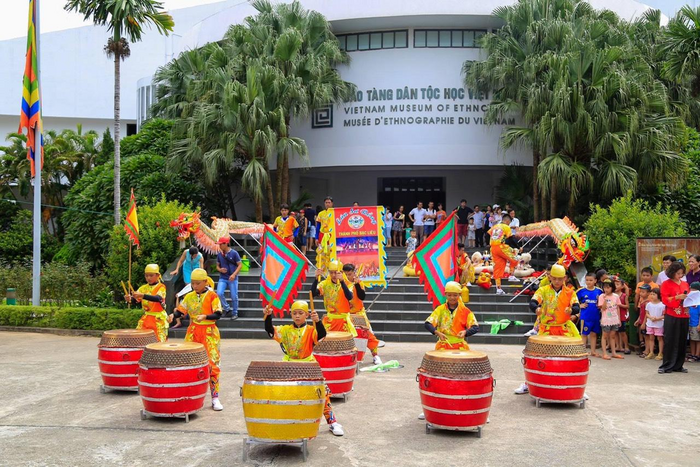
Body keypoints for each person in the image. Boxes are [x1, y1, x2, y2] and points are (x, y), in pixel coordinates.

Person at [263, 301, 345, 436]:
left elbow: (321, 335)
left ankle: (332, 422)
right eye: (294, 313)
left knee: (322, 393)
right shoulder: (286, 330)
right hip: (289, 366)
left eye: (300, 313)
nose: (297, 316)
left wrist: (317, 321)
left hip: (308, 365)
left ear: (306, 315)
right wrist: (268, 316)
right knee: (283, 394)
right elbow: (270, 330)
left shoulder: (311, 330)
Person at [171, 268, 223, 411]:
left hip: (209, 333)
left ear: (205, 281)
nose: (194, 286)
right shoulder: (189, 296)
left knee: (212, 365)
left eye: (197, 283)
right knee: (189, 364)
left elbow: (218, 314)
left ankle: (215, 398)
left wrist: (205, 317)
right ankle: (189, 396)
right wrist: (173, 314)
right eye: (193, 283)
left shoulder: (213, 296)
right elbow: (181, 310)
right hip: (193, 333)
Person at [343, 264, 382, 365]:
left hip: (359, 314)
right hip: (345, 314)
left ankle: (375, 355)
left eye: (350, 274)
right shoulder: (341, 283)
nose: (348, 276)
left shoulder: (359, 283)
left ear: (354, 273)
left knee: (369, 334)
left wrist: (356, 284)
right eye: (345, 274)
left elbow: (362, 296)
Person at [424, 281, 479, 350]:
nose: (452, 298)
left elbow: (475, 327)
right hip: (443, 346)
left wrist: (465, 332)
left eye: (455, 295)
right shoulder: (440, 310)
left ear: (460, 295)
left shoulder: (465, 311)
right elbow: (427, 323)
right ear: (445, 294)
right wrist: (437, 333)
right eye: (449, 295)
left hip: (460, 347)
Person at [531, 264, 580, 337]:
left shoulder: (570, 292)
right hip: (546, 328)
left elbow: (577, 307)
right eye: (554, 278)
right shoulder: (543, 290)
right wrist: (536, 308)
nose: (557, 281)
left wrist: (571, 310)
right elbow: (533, 302)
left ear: (564, 278)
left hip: (564, 329)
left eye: (560, 279)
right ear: (550, 277)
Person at [658, 261, 690, 374]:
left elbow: (689, 297)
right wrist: (677, 297)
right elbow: (665, 300)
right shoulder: (666, 284)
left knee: (682, 340)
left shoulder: (685, 284)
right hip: (672, 314)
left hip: (684, 314)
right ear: (672, 273)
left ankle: (678, 365)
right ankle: (666, 365)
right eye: (678, 273)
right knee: (670, 339)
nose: (680, 276)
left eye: (681, 273)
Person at [126, 264, 168, 342]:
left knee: (158, 341)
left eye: (151, 275)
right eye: (146, 276)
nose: (148, 278)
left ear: (157, 275)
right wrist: (129, 299)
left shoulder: (161, 287)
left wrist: (143, 295)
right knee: (140, 340)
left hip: (158, 318)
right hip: (147, 318)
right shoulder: (143, 288)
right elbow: (135, 301)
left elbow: (158, 298)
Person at [311, 261, 356, 335]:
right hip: (330, 321)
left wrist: (342, 282)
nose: (333, 275)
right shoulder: (325, 284)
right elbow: (313, 293)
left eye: (335, 272)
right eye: (331, 273)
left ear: (341, 272)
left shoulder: (348, 284)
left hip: (343, 321)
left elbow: (349, 297)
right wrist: (316, 279)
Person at [172, 246, 204, 329]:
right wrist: (176, 269)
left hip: (196, 268)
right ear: (191, 254)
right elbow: (181, 261)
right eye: (194, 255)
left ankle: (195, 297)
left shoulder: (200, 257)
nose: (196, 256)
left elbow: (202, 268)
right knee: (188, 285)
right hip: (187, 267)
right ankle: (188, 299)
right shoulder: (186, 252)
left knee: (196, 282)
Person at [488, 213, 520, 295]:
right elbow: (510, 239)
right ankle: (511, 275)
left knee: (498, 268)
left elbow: (487, 235)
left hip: (493, 248)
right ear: (507, 220)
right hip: (501, 247)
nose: (509, 224)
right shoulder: (506, 227)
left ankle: (498, 289)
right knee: (515, 257)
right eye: (509, 222)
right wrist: (518, 247)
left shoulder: (494, 226)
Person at [577, 272, 603, 357]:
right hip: (585, 317)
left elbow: (603, 302)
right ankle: (582, 351)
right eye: (587, 280)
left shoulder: (599, 291)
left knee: (594, 334)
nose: (588, 282)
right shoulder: (581, 291)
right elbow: (572, 300)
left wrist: (600, 306)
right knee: (584, 334)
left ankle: (593, 351)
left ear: (595, 281)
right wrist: (580, 305)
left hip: (595, 317)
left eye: (591, 280)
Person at [216, 236, 242, 319]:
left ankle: (235, 312)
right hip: (223, 277)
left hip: (232, 278)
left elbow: (240, 265)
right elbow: (217, 266)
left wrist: (234, 274)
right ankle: (226, 308)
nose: (219, 246)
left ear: (226, 244)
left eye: (221, 244)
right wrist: (220, 269)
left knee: (234, 296)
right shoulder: (219, 254)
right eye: (219, 244)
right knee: (219, 293)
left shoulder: (234, 253)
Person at [598, 279, 623, 360]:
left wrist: (619, 319)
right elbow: (603, 308)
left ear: (612, 288)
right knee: (604, 336)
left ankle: (613, 353)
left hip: (614, 319)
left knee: (612, 336)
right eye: (605, 287)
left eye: (608, 287)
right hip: (606, 319)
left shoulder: (616, 296)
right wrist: (605, 299)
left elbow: (618, 308)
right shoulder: (602, 296)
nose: (606, 289)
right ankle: (604, 353)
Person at [644, 287, 665, 361]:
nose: (652, 296)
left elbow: (664, 315)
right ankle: (651, 352)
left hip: (659, 324)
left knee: (659, 338)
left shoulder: (662, 305)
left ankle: (660, 353)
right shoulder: (649, 304)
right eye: (651, 294)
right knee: (651, 338)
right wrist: (651, 317)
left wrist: (657, 318)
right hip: (650, 323)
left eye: (654, 294)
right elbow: (646, 313)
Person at [316, 197, 334, 273]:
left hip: (331, 235)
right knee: (321, 252)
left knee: (331, 252)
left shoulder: (334, 212)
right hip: (322, 235)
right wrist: (316, 237)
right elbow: (318, 226)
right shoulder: (321, 213)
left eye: (329, 202)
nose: (327, 204)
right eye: (326, 202)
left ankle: (331, 269)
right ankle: (322, 270)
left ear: (332, 203)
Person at [614, 276, 631, 354]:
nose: (616, 286)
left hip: (621, 316)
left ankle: (626, 346)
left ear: (622, 286)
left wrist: (619, 305)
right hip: (614, 316)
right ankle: (618, 346)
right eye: (615, 284)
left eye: (618, 284)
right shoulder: (612, 295)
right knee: (615, 332)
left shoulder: (624, 295)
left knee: (622, 332)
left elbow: (627, 306)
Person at [634, 284, 651, 357]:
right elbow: (641, 312)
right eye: (641, 292)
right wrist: (638, 320)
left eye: (643, 292)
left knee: (647, 337)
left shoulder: (647, 302)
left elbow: (647, 314)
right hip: (642, 321)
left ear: (648, 293)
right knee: (645, 336)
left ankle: (647, 351)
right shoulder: (642, 301)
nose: (641, 293)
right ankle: (646, 350)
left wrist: (644, 323)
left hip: (646, 322)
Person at [687, 282, 700, 362]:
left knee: (697, 340)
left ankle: (697, 355)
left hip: (696, 324)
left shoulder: (699, 302)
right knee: (692, 339)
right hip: (690, 323)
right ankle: (692, 353)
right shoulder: (690, 301)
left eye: (693, 289)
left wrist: (699, 325)